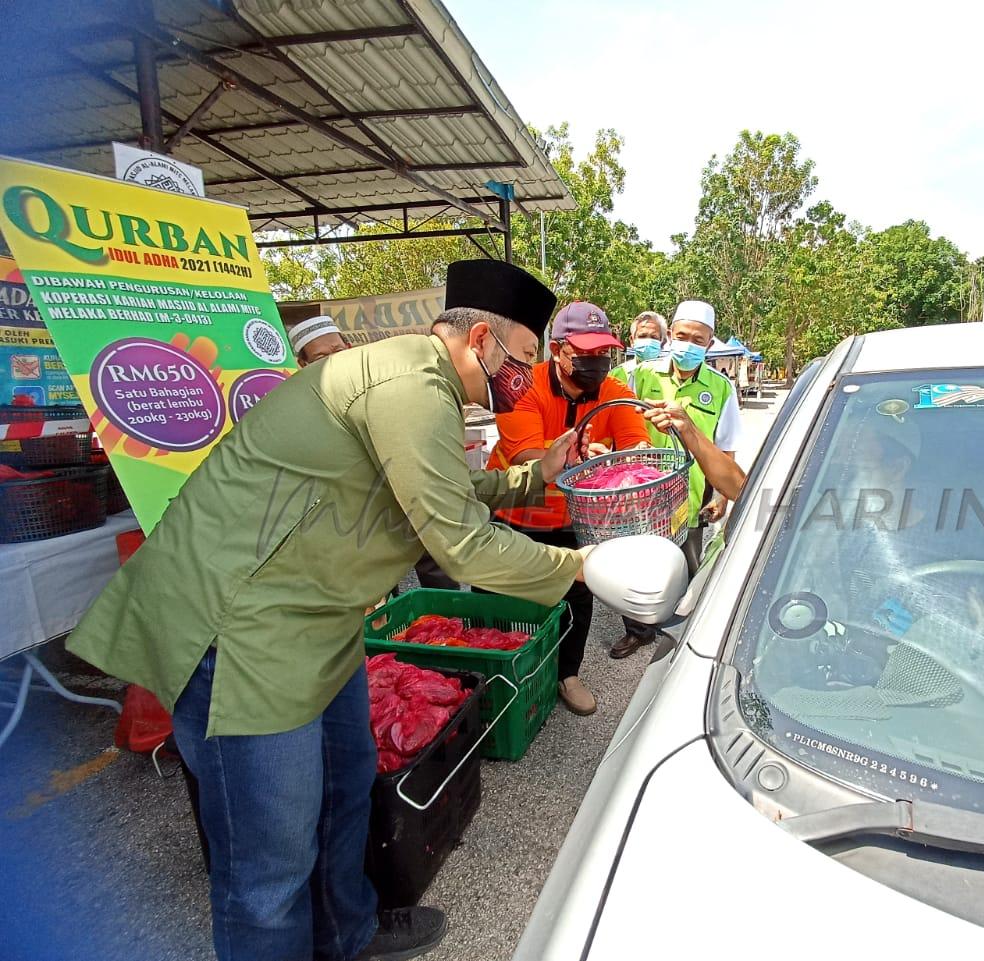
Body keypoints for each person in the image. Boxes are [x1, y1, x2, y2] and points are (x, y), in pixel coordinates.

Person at [67, 259, 592, 961]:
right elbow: (461, 543)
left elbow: (447, 488)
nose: (525, 379)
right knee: (267, 868)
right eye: (524, 359)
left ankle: (348, 931)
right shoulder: (410, 384)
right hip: (247, 626)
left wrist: (536, 475)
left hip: (317, 615)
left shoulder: (422, 380)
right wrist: (583, 567)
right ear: (481, 343)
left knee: (347, 786)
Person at [484, 301, 652, 715]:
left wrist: (620, 459)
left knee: (577, 591)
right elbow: (526, 456)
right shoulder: (522, 386)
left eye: (603, 353)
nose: (596, 362)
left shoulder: (614, 392)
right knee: (498, 594)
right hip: (514, 511)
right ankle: (493, 674)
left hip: (573, 518)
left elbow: (637, 445)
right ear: (557, 349)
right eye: (585, 353)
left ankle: (567, 674)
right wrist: (583, 458)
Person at [612, 299, 743, 659]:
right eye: (682, 335)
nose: (688, 344)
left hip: (692, 494)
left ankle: (682, 629)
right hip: (640, 491)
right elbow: (613, 415)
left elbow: (726, 446)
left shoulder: (720, 388)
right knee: (636, 562)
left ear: (710, 343)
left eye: (698, 340)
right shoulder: (640, 374)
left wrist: (722, 496)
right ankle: (639, 631)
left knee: (686, 562)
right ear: (670, 334)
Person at [609, 310, 667, 391]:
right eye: (642, 336)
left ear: (662, 343)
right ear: (632, 341)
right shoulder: (616, 375)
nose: (648, 341)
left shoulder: (672, 378)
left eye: (653, 337)